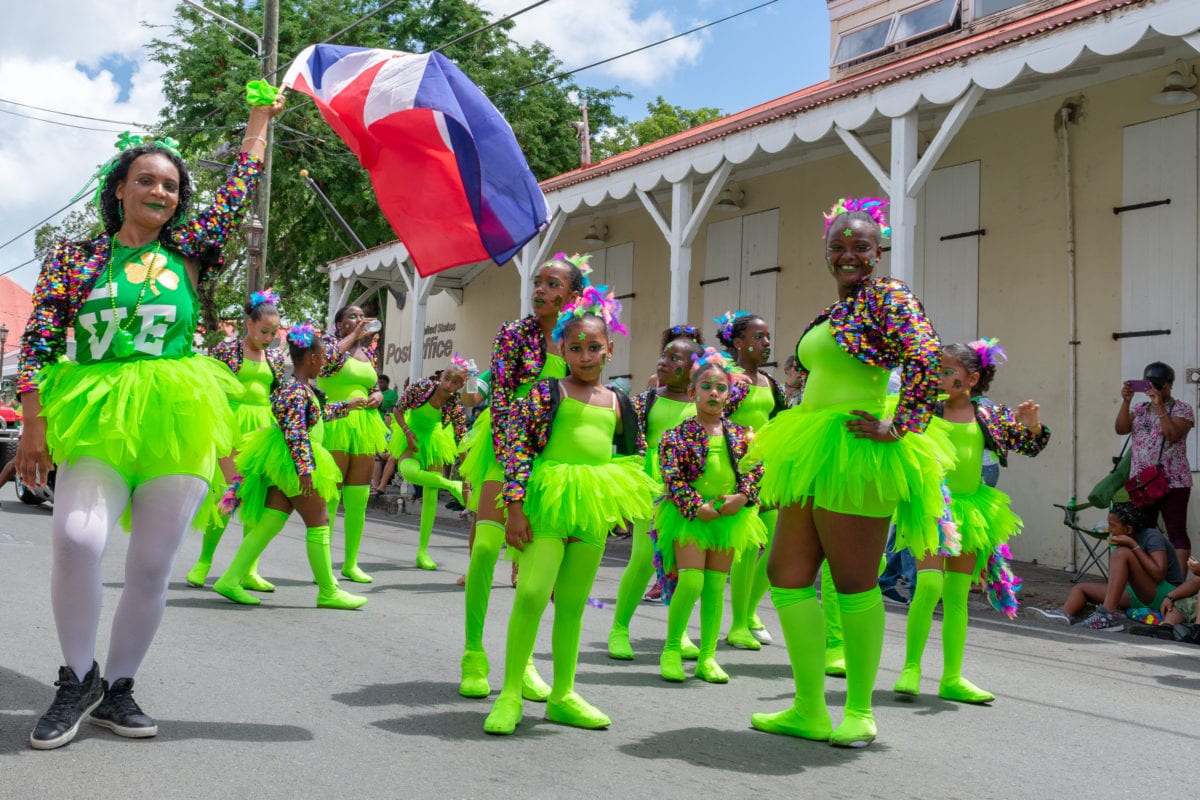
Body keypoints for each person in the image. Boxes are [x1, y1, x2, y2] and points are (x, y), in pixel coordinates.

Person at [14, 90, 285, 750]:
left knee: (152, 564)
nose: (161, 192)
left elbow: (238, 192)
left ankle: (120, 689)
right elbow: (41, 343)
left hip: (180, 411)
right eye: (147, 180)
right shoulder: (76, 257)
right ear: (119, 189)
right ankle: (77, 679)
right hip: (97, 411)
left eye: (170, 184)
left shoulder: (191, 251)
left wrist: (259, 123)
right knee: (78, 539)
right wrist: (33, 426)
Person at [745, 197, 948, 748]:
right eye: (838, 246)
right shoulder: (836, 311)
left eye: (860, 246)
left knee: (855, 581)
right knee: (786, 575)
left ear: (877, 252)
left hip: (857, 448)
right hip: (811, 444)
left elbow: (927, 359)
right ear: (826, 253)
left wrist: (900, 425)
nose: (848, 255)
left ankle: (858, 710)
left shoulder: (889, 295)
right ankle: (809, 708)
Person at [482, 287, 655, 735]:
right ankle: (510, 693)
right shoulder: (546, 392)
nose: (585, 355)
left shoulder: (621, 401)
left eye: (594, 347)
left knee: (573, 604)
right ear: (562, 349)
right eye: (575, 347)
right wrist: (515, 508)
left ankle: (563, 694)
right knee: (533, 593)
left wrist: (619, 504)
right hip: (551, 500)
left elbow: (632, 455)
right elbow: (517, 448)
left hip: (591, 508)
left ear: (610, 349)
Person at [893, 339, 1049, 703]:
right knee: (929, 586)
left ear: (972, 378)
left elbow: (1029, 446)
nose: (939, 378)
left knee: (957, 594)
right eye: (936, 371)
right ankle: (911, 668)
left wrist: (1032, 425)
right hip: (932, 507)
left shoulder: (988, 415)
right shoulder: (924, 412)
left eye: (948, 372)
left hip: (972, 510)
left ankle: (952, 677)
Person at [456, 255, 583, 700]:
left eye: (553, 284)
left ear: (573, 296)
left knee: (532, 564)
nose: (541, 290)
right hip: (507, 445)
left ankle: (523, 661)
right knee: (488, 547)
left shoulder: (579, 341)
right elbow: (505, 401)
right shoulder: (514, 335)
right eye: (538, 282)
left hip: (554, 458)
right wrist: (516, 469)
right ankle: (473, 654)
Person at [211, 324, 369, 610]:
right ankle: (329, 591)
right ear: (310, 358)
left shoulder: (301, 389)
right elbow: (295, 431)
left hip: (290, 463)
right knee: (320, 522)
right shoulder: (294, 390)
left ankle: (231, 579)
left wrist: (348, 405)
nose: (324, 363)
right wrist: (305, 470)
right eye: (322, 358)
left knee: (270, 522)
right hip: (294, 464)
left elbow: (316, 416)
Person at [655, 348, 767, 683]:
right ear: (692, 393)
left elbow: (755, 468)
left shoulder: (739, 433)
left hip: (727, 516)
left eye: (721, 387)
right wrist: (694, 505)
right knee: (691, 580)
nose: (714, 393)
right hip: (689, 516)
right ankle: (672, 649)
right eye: (706, 386)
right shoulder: (677, 435)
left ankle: (708, 656)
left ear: (729, 395)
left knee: (716, 585)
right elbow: (671, 476)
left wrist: (743, 496)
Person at [608, 326, 706, 661]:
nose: (664, 362)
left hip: (690, 489)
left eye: (674, 358)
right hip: (651, 485)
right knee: (641, 559)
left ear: (693, 367)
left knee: (685, 563)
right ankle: (619, 628)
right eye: (664, 355)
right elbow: (625, 445)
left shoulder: (702, 402)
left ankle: (677, 633)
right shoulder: (646, 399)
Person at [185, 289, 287, 590]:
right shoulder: (228, 351)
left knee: (256, 499)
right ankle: (204, 561)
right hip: (233, 426)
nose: (268, 337)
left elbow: (278, 395)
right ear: (249, 324)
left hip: (263, 431)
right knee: (230, 494)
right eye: (263, 331)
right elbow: (210, 390)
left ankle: (249, 569)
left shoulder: (275, 358)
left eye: (273, 332)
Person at [717, 311, 788, 651]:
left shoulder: (770, 383)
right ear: (739, 343)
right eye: (758, 337)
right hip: (737, 473)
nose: (766, 343)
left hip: (767, 474)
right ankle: (738, 624)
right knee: (745, 549)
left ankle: (750, 610)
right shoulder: (730, 382)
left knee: (777, 547)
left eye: (768, 336)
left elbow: (781, 424)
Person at [1031, 502, 1183, 630]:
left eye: (1112, 525)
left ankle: (1107, 615)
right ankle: (1063, 615)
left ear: (1128, 529)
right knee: (1081, 588)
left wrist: (1132, 545)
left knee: (1122, 553)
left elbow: (1158, 574)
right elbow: (1116, 582)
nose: (1108, 529)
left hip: (1167, 596)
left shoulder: (1152, 536)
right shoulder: (1121, 543)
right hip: (1137, 593)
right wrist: (1116, 548)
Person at [319, 306, 387, 583]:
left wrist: (379, 395)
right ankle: (322, 565)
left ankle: (350, 563)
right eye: (353, 317)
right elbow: (326, 363)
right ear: (339, 323)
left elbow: (372, 385)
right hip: (336, 422)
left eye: (362, 317)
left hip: (364, 425)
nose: (360, 320)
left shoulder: (368, 353)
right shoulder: (328, 344)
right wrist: (354, 335)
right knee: (332, 498)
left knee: (358, 499)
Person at [388, 359, 469, 570]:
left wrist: (468, 475)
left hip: (435, 440)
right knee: (408, 471)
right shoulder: (422, 386)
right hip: (411, 433)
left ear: (461, 385)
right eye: (447, 378)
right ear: (442, 375)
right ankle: (451, 485)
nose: (449, 384)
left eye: (455, 382)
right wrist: (407, 431)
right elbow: (398, 409)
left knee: (430, 494)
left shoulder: (455, 404)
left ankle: (422, 551)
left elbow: (462, 440)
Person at [1115, 362, 1194, 566]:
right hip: (1143, 482)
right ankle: (1148, 580)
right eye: (1152, 385)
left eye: (1161, 386)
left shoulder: (1182, 409)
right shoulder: (1139, 409)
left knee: (1176, 532)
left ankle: (1176, 586)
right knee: (1142, 530)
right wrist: (1126, 401)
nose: (1156, 390)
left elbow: (1172, 434)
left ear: (1170, 384)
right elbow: (1121, 429)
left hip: (1174, 482)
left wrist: (1159, 407)